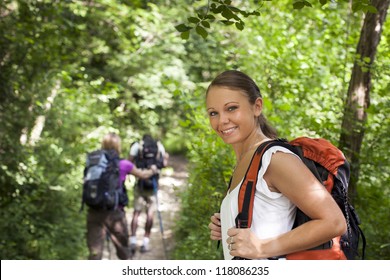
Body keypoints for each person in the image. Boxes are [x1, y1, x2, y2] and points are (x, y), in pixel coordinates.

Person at [206, 70, 347, 260]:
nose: (221, 120)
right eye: (213, 113)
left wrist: (262, 248)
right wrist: (228, 223)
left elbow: (334, 222)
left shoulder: (275, 159)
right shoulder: (247, 161)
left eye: (231, 108)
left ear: (257, 107)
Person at [86, 133, 158, 260]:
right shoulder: (124, 164)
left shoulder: (93, 161)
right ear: (118, 145)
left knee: (95, 253)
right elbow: (143, 175)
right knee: (124, 251)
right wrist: (153, 170)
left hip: (94, 211)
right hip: (115, 213)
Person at [128, 134, 168, 254]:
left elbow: (129, 164)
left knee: (136, 212)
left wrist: (139, 173)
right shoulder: (159, 146)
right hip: (154, 183)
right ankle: (145, 242)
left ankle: (133, 240)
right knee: (150, 213)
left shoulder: (136, 146)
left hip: (140, 184)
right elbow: (164, 164)